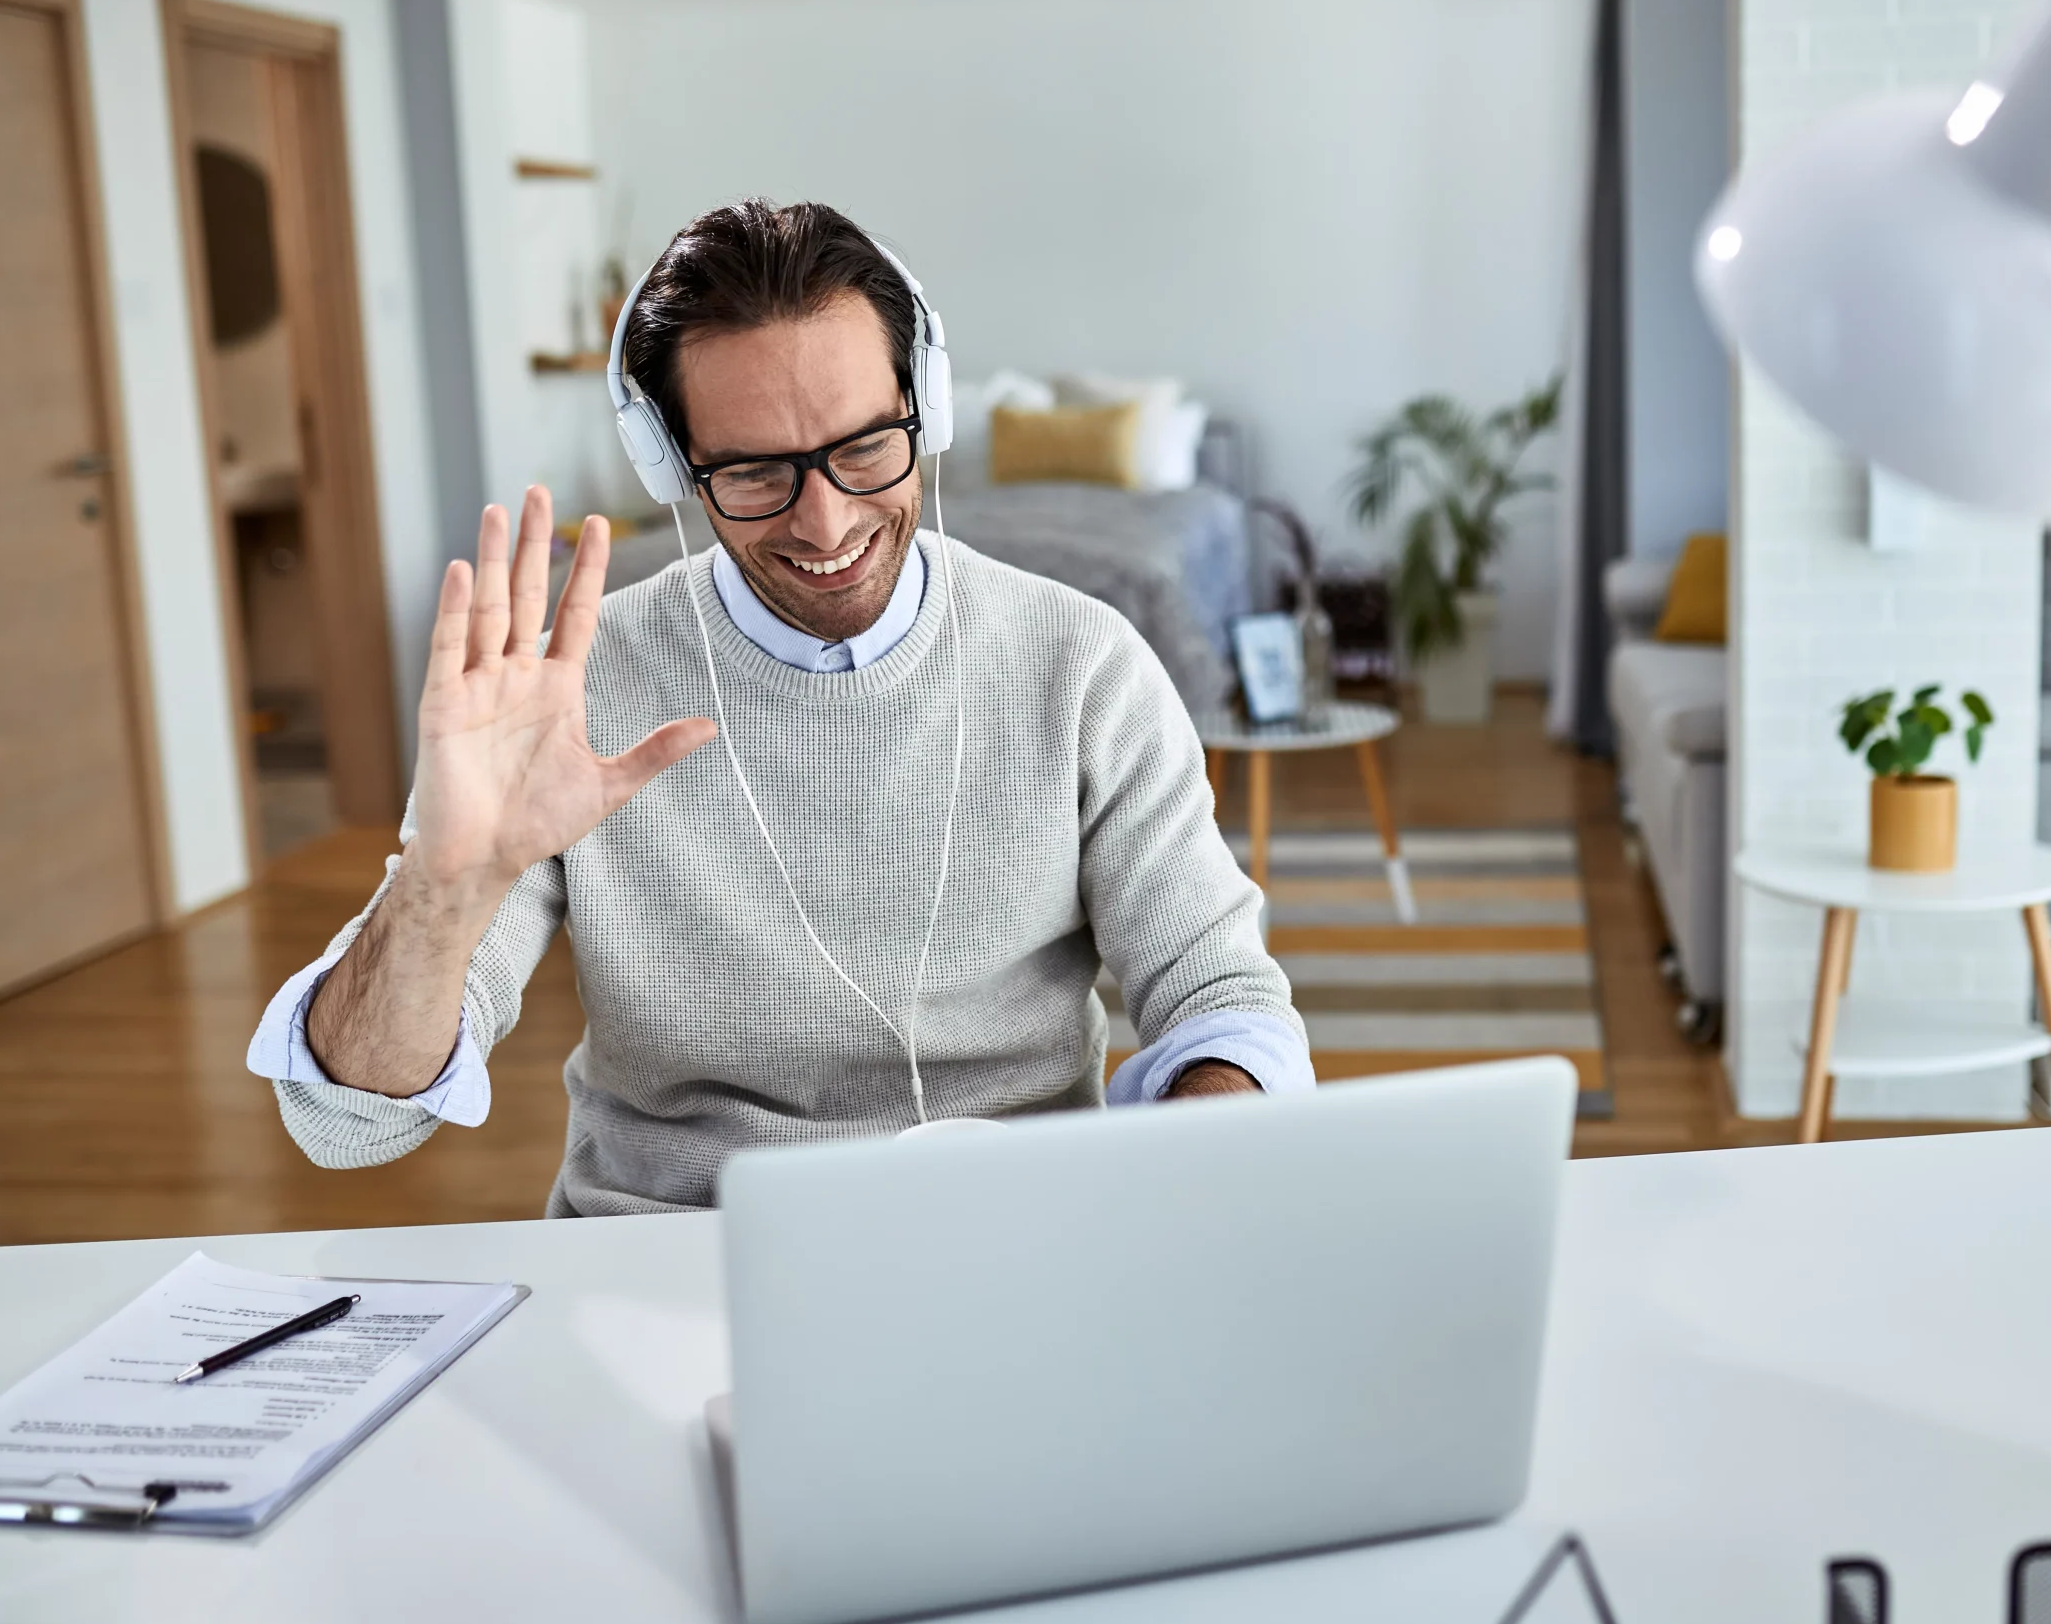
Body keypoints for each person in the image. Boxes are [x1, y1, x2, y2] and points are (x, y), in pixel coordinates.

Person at [247, 198, 1308, 1216]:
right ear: (673, 468)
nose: (826, 517)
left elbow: (1226, 1000)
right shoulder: (579, 688)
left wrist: (1175, 1180)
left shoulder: (1080, 662)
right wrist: (445, 886)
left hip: (1014, 1238)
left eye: (862, 446)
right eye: (755, 471)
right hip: (669, 1248)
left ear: (922, 408)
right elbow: (347, 1124)